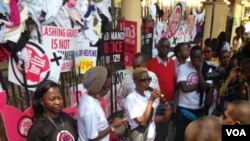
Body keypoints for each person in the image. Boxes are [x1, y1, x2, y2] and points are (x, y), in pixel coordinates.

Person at [77, 66, 125, 141]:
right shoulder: (90, 107)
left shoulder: (89, 98)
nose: (108, 91)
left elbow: (96, 124)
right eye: (107, 88)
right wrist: (112, 126)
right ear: (98, 86)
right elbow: (92, 137)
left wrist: (110, 123)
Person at [176, 46, 211, 141]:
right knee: (180, 136)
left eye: (199, 57)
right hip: (184, 108)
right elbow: (184, 88)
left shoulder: (207, 67)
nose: (197, 59)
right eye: (194, 57)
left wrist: (198, 70)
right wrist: (201, 85)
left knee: (195, 137)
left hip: (199, 109)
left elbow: (206, 87)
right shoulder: (183, 67)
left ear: (202, 56)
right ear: (190, 57)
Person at [147, 37, 176, 141]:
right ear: (158, 47)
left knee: (164, 132)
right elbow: (147, 85)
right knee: (154, 132)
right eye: (162, 46)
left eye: (167, 47)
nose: (164, 49)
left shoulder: (173, 63)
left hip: (169, 103)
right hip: (156, 103)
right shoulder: (150, 64)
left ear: (169, 49)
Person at [124, 67, 160, 141]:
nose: (147, 82)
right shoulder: (131, 99)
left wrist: (164, 117)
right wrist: (151, 101)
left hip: (151, 137)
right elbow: (142, 122)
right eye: (143, 80)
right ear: (135, 81)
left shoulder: (147, 95)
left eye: (148, 79)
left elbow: (151, 118)